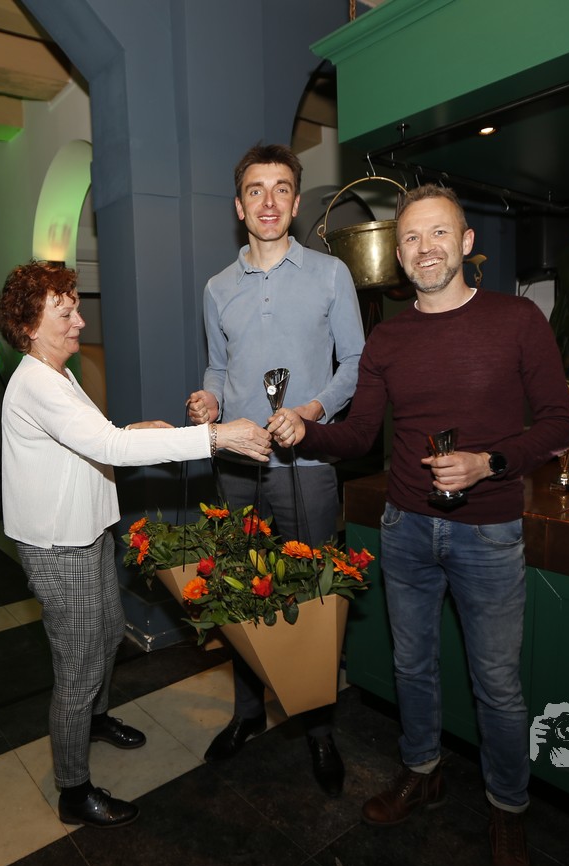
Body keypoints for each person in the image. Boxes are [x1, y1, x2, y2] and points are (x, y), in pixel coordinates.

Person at [269, 185, 569, 866]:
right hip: (404, 527)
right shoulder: (388, 337)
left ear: (465, 243)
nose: (424, 247)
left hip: (488, 531)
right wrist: (304, 431)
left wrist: (488, 462)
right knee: (411, 666)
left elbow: (559, 424)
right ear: (398, 255)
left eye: (438, 233)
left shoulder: (516, 319)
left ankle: (507, 809)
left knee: (496, 684)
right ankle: (422, 772)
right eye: (410, 238)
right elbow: (357, 435)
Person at [0, 261, 271, 828]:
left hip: (88, 530)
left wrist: (132, 431)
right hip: (59, 545)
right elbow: (108, 449)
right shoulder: (36, 383)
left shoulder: (56, 373)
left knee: (106, 633)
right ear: (29, 326)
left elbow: (93, 438)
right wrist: (217, 436)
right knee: (78, 666)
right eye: (64, 312)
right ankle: (73, 790)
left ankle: (94, 721)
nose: (79, 320)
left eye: (75, 307)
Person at [186, 143, 365, 796]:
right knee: (239, 586)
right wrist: (209, 400)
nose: (268, 201)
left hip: (306, 462)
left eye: (281, 188)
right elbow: (217, 365)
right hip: (237, 461)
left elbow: (356, 361)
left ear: (295, 201)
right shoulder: (217, 288)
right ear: (239, 207)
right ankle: (247, 711)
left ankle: (318, 726)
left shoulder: (330, 275)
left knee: (311, 592)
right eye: (255, 190)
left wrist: (312, 411)